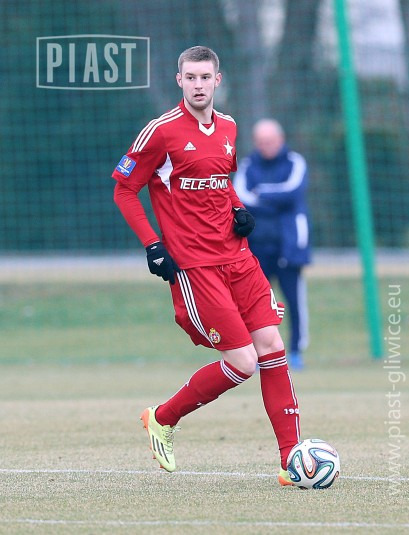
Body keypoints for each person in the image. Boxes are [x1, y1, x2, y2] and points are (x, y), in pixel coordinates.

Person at [112, 46, 300, 487]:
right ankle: (163, 417)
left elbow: (222, 181)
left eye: (205, 77)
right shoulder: (161, 132)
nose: (198, 85)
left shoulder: (229, 127)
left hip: (239, 258)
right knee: (243, 362)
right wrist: (152, 245)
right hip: (196, 267)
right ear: (179, 80)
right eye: (190, 77)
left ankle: (291, 460)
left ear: (218, 80)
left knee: (272, 346)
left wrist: (238, 208)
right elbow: (124, 189)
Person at [233, 119, 311, 370]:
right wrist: (276, 201)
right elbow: (241, 198)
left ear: (280, 139)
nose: (266, 145)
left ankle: (296, 351)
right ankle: (256, 355)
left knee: (294, 302)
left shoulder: (295, 162)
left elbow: (293, 192)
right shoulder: (247, 166)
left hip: (289, 247)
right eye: (261, 142)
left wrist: (262, 194)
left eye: (270, 141)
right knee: (255, 305)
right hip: (256, 248)